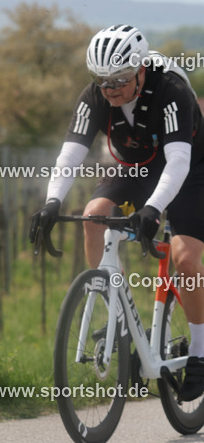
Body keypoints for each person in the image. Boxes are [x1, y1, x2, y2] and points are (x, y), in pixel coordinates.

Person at [30, 24, 204, 402]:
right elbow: (71, 152)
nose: (111, 90)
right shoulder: (95, 95)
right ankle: (118, 324)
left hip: (190, 172)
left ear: (141, 70)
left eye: (120, 81)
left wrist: (154, 210)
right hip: (139, 169)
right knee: (94, 217)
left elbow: (177, 161)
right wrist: (52, 202)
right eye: (103, 81)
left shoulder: (171, 89)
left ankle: (201, 351)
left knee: (185, 260)